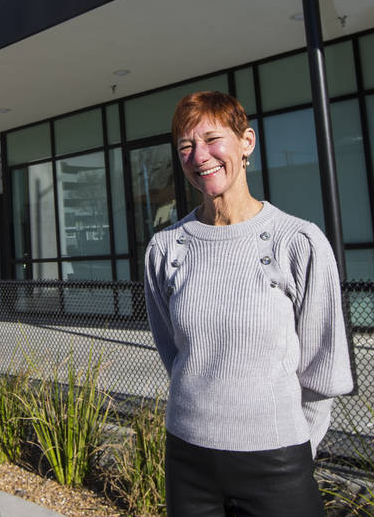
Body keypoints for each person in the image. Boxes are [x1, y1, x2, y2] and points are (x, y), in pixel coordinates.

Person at [143, 90, 353, 517]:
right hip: (187, 460)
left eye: (211, 139)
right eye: (186, 146)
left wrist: (298, 446)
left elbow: (322, 366)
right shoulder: (165, 249)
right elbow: (175, 351)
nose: (199, 155)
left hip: (277, 463)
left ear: (247, 142)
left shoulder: (298, 242)